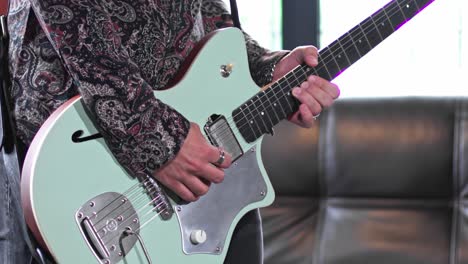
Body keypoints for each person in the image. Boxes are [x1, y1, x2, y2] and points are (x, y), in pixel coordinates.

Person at [4, 0, 340, 263]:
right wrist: (159, 138)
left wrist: (265, 66)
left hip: (187, 148)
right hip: (81, 152)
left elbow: (197, 11)